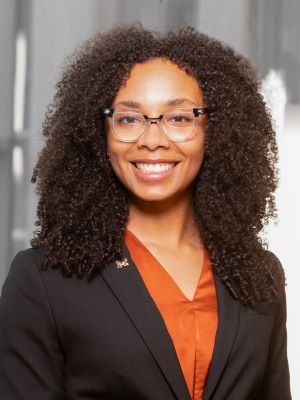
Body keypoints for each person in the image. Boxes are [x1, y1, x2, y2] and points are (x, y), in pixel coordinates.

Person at [0, 24, 292, 400]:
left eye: (179, 118)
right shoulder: (43, 280)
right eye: (129, 119)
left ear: (216, 130)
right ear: (99, 132)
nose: (152, 140)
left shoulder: (258, 274)